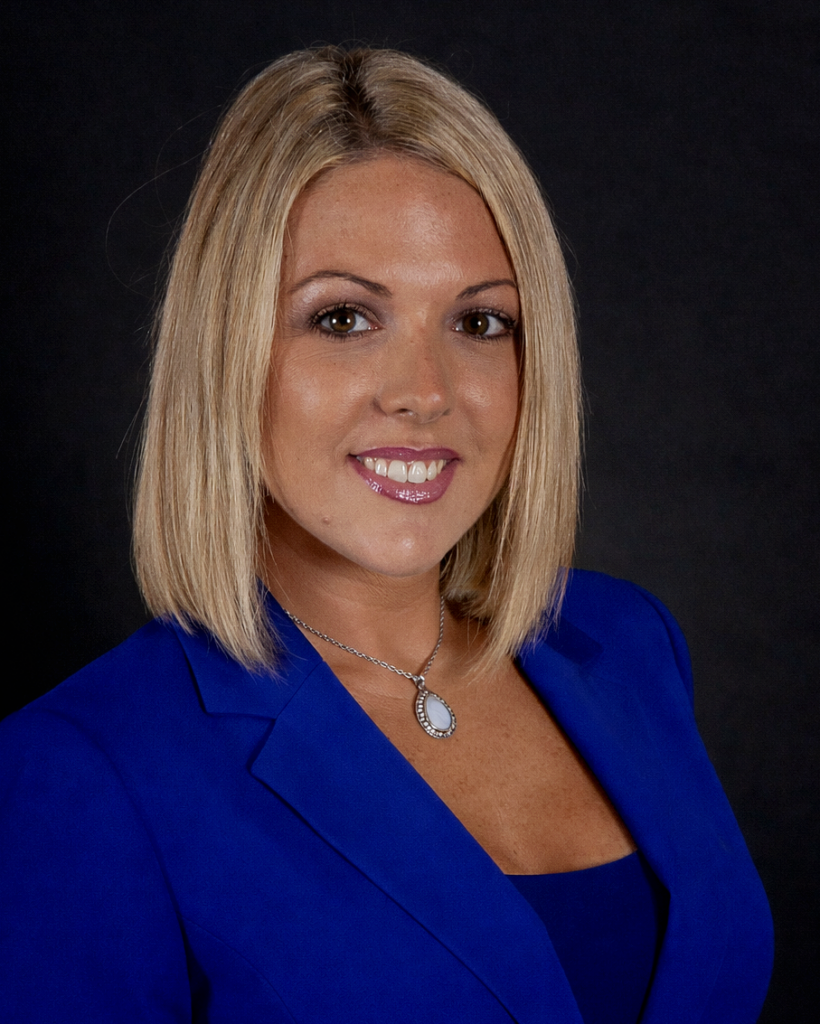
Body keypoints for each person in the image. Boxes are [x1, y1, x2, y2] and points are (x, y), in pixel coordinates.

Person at [0, 47, 772, 1024]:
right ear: (228, 350)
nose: (425, 390)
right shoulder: (78, 772)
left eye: (481, 323)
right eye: (343, 316)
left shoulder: (626, 645)